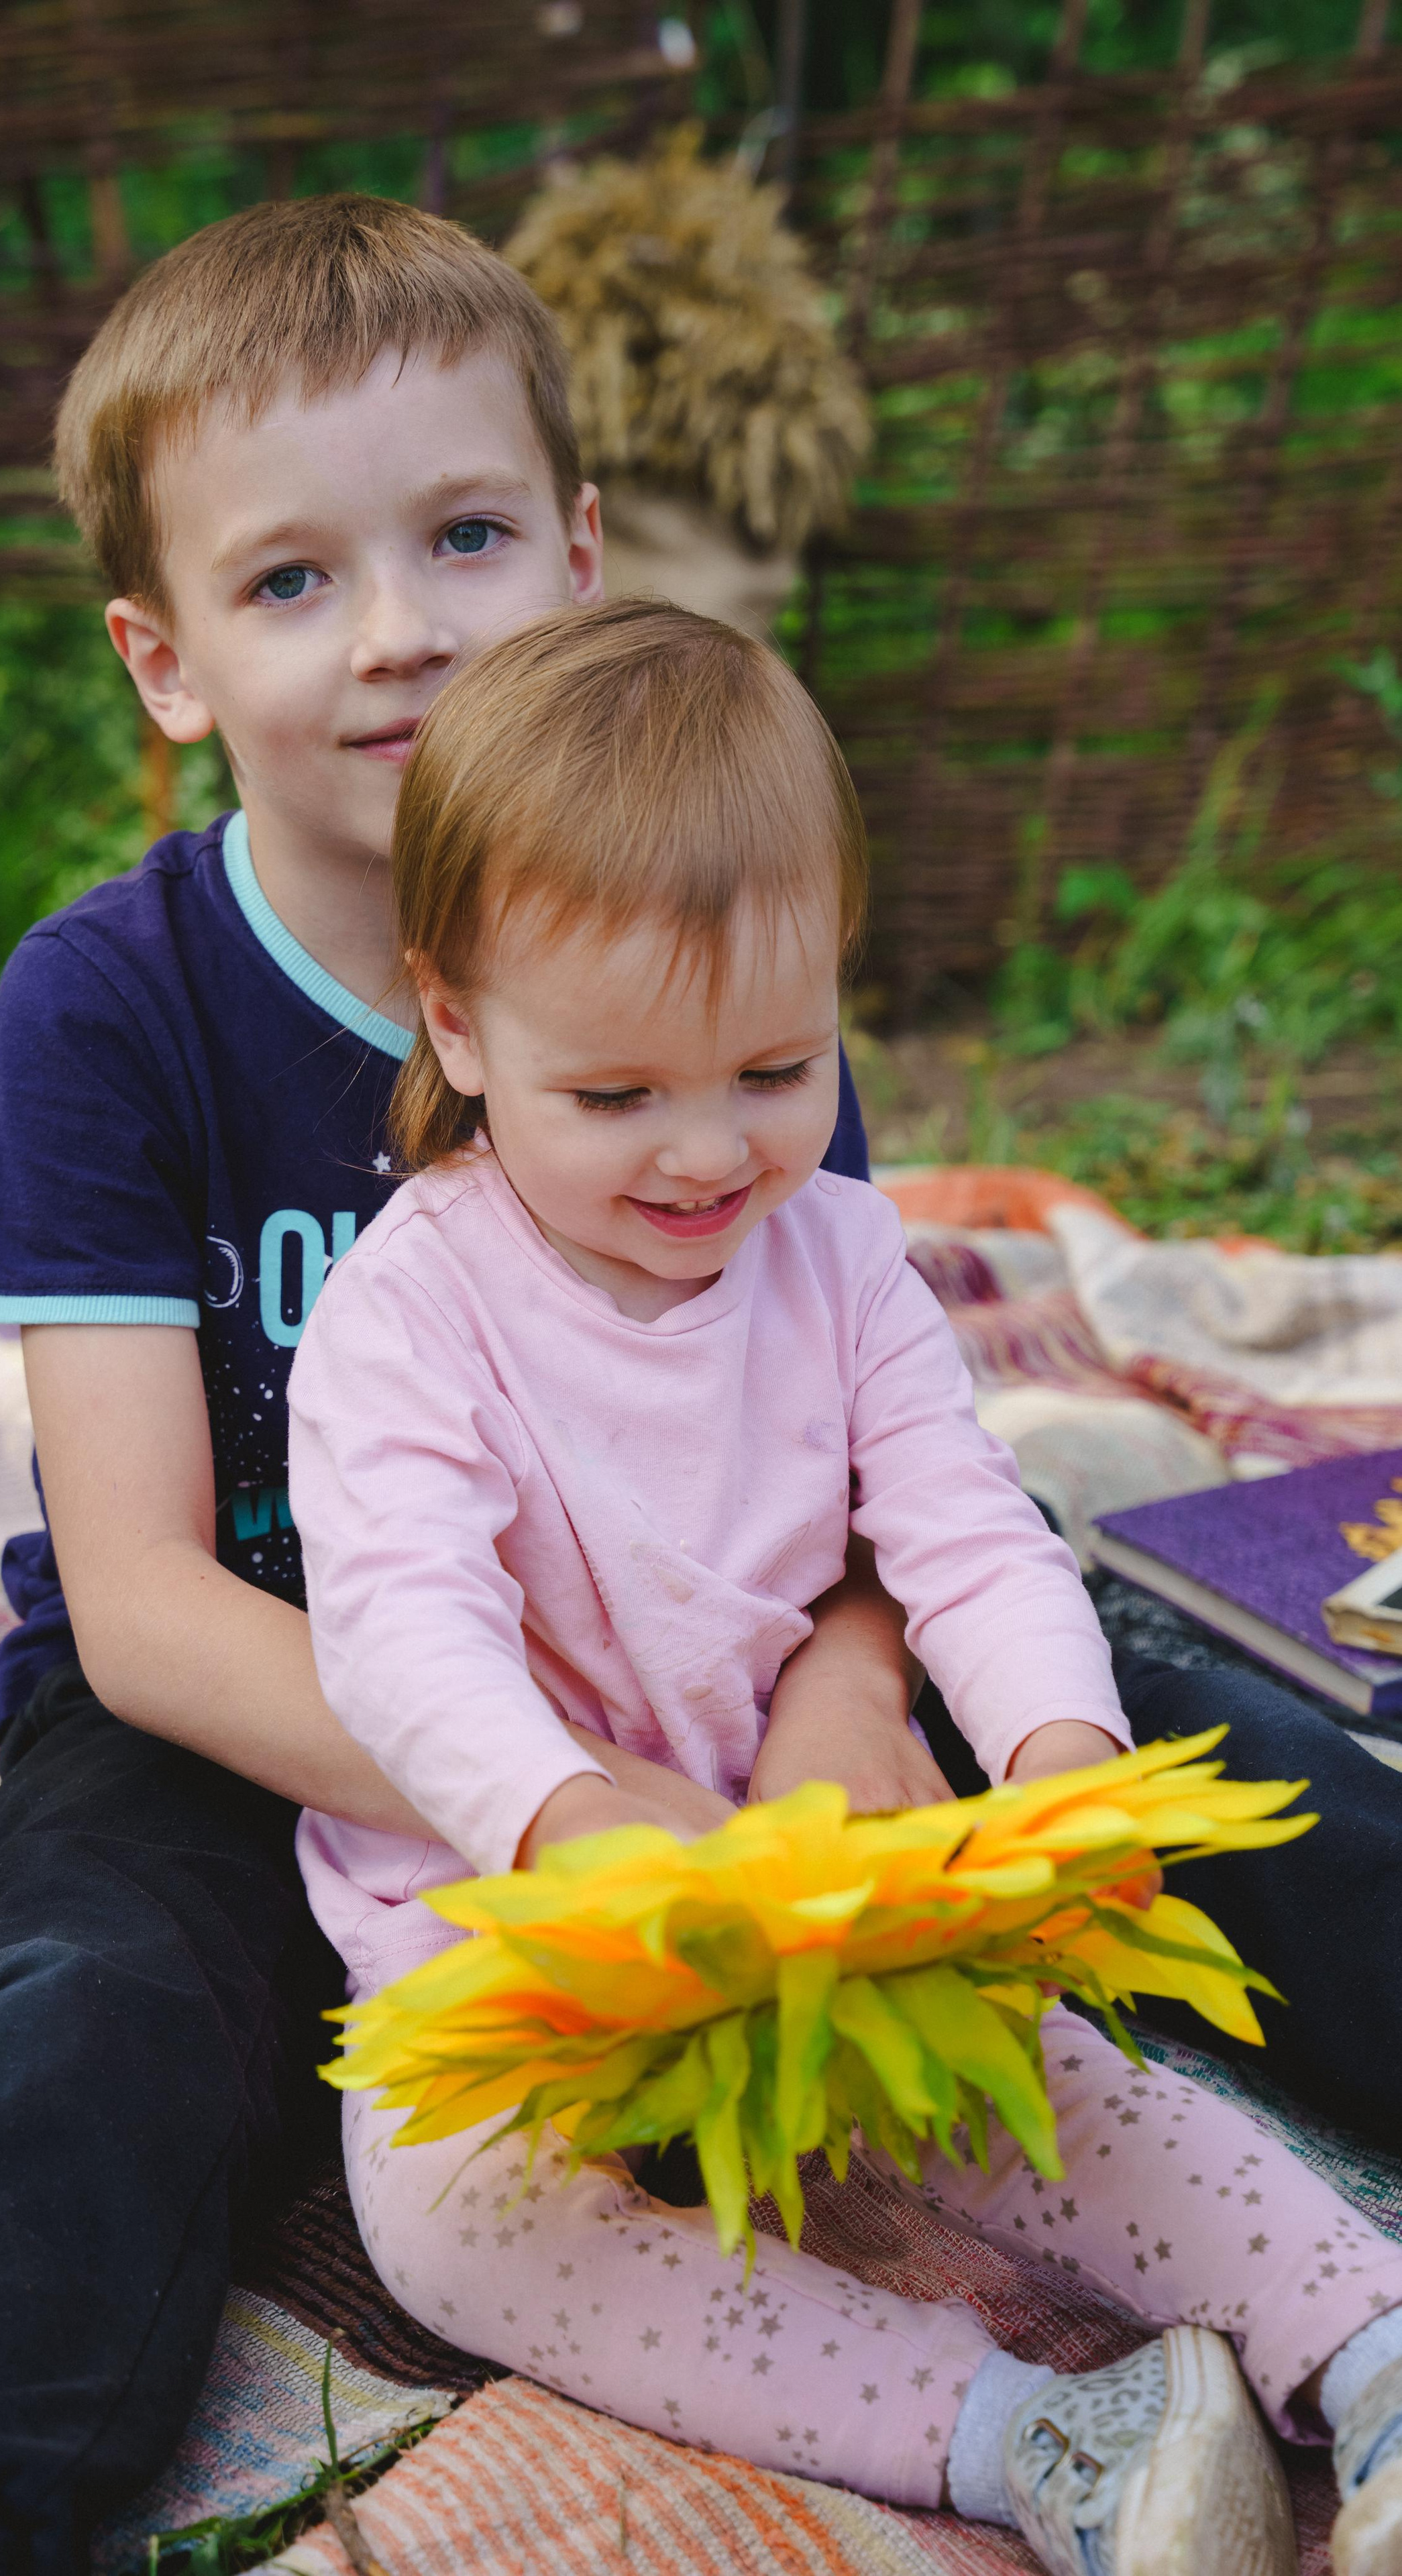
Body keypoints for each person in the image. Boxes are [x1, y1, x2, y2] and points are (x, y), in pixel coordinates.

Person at [0, 187, 1402, 2576]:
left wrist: (848, 1708)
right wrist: (575, 1816)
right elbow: (139, 1598)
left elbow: (873, 1455)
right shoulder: (109, 1009)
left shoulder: (711, 941)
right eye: (292, 579)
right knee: (78, 2009)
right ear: (166, 657)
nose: (401, 628)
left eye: (470, 533)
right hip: (269, 1708)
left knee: (1192, 1758)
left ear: (589, 556)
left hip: (736, 1636)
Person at [285, 598, 1402, 2576]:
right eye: (616, 1097)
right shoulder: (410, 1318)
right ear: (454, 1025)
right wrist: (561, 1819)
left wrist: (1067, 1766)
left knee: (1051, 2077)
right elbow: (397, 1626)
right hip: (521, 1929)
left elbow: (965, 1530)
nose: (711, 1153)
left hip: (830, 1876)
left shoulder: (851, 1260)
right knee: (452, 2221)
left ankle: (1371, 2347)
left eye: (776, 1067)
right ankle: (1039, 2437)